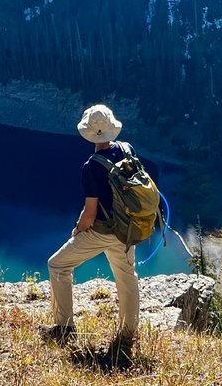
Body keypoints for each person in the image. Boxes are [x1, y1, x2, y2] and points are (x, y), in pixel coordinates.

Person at [43, 103, 145, 347]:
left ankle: (64, 327)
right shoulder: (127, 149)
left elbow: (90, 213)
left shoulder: (92, 167)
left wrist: (78, 229)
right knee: (126, 276)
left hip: (103, 231)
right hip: (128, 227)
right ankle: (128, 333)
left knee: (57, 265)